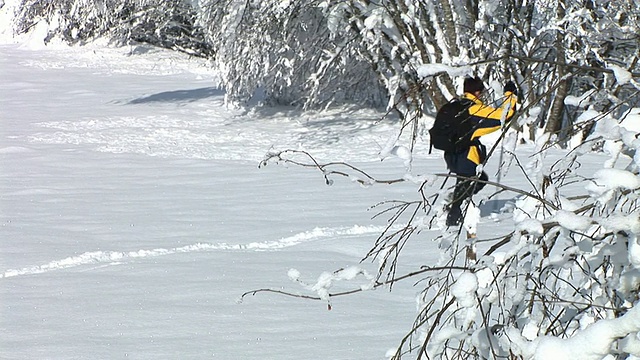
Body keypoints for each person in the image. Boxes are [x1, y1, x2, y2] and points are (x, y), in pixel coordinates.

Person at [445, 76, 518, 226]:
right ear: (477, 92)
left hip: (452, 152)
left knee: (475, 180)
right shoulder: (473, 108)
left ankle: (454, 205)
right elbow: (503, 116)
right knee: (469, 181)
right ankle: (453, 219)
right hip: (466, 153)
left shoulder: (458, 105)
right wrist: (510, 95)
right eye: (482, 93)